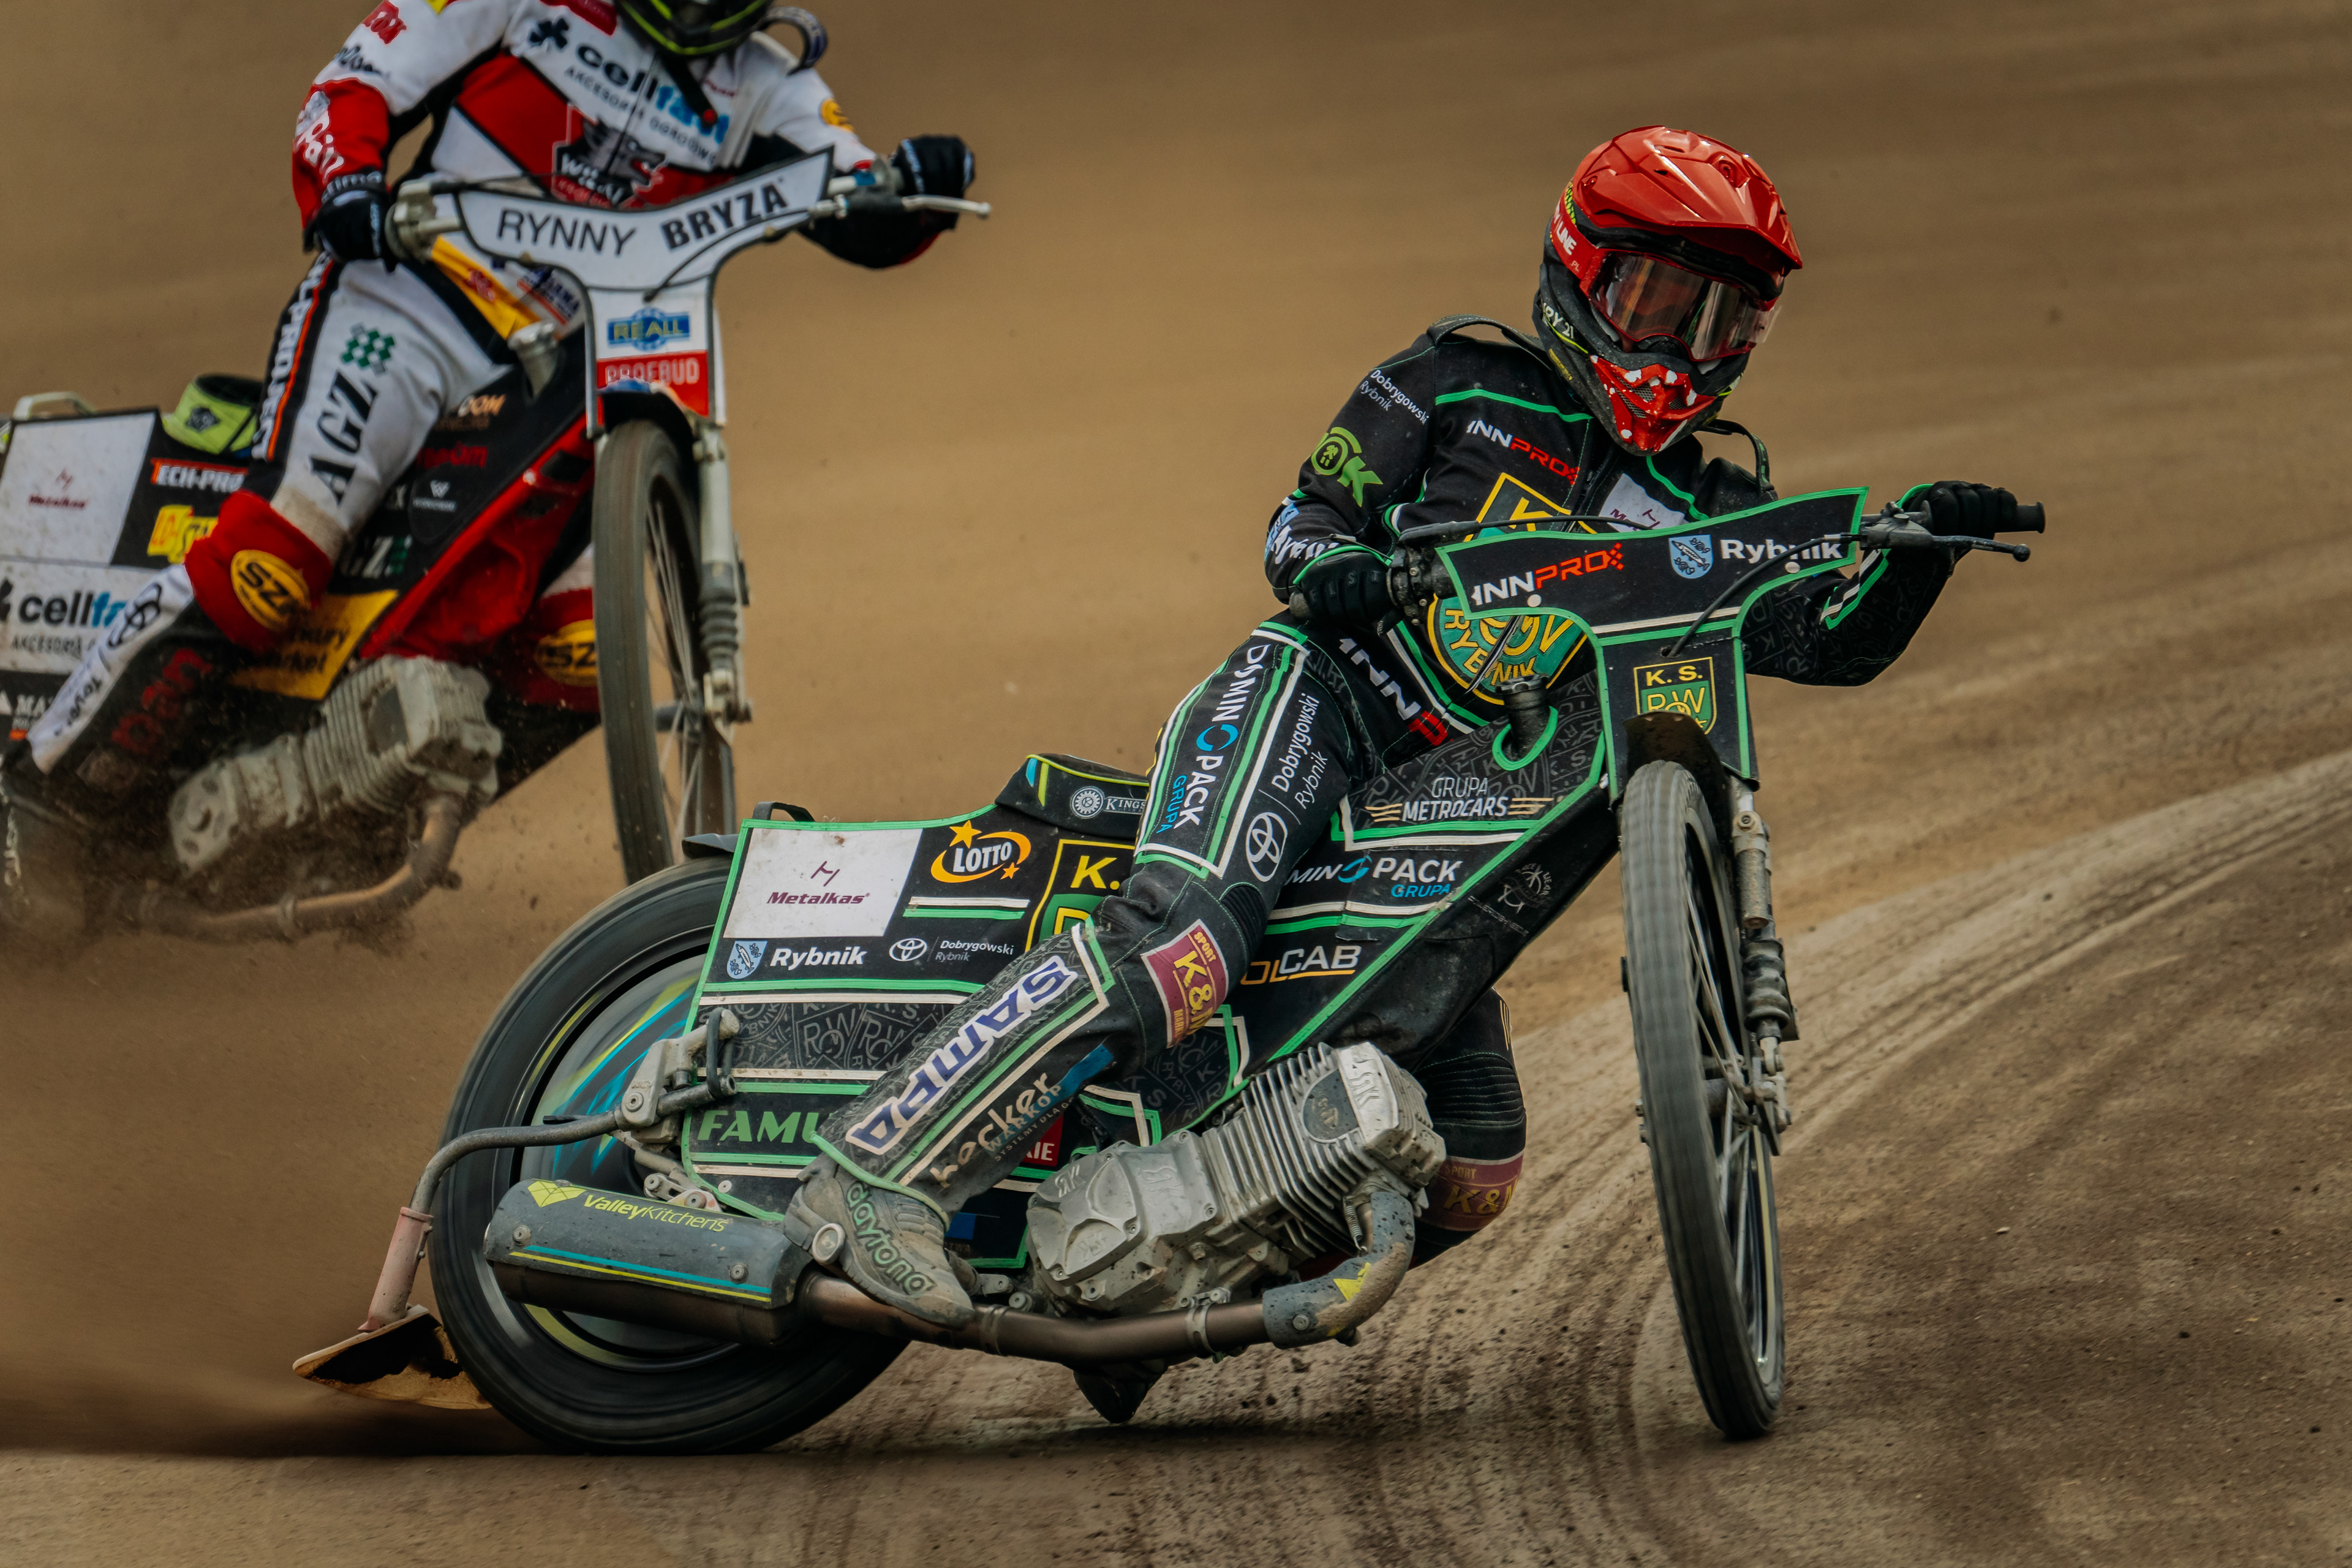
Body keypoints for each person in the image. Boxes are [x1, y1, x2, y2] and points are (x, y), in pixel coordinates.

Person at [788, 124, 2030, 1328]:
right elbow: (1301, 522)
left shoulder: (1716, 501)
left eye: (1720, 320)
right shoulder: (1456, 380)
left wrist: (1921, 555)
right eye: (1659, 302)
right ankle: (880, 1171)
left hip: (1455, 818)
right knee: (1184, 945)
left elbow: (1821, 639)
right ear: (1583, 274)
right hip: (1318, 704)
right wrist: (1336, 567)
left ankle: (1158, 1286)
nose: (1682, 347)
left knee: (1476, 1156)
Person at [0, 0, 972, 923]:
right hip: (405, 310)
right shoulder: (521, 6)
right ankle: (40, 799)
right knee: (273, 564)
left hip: (560, 379)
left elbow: (866, 204)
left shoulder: (771, 86)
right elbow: (353, 88)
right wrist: (347, 182)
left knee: (579, 658)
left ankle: (343, 822)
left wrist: (922, 186)